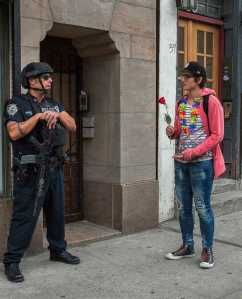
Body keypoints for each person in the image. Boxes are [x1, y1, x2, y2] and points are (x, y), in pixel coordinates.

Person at [3, 62, 80, 283]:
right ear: (31, 80)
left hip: (53, 167)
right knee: (24, 216)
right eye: (45, 77)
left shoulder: (53, 103)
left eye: (50, 77)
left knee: (56, 212)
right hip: (29, 171)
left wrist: (57, 115)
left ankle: (57, 249)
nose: (50, 80)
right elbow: (15, 133)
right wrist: (37, 117)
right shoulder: (16, 104)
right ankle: (12, 261)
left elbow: (73, 125)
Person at [165, 61, 225, 269]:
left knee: (202, 207)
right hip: (182, 162)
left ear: (198, 80)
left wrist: (194, 152)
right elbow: (183, 130)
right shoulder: (181, 102)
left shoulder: (211, 102)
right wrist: (174, 133)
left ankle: (207, 249)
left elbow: (217, 135)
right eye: (182, 76)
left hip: (202, 163)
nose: (182, 79)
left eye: (187, 76)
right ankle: (187, 245)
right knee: (183, 208)